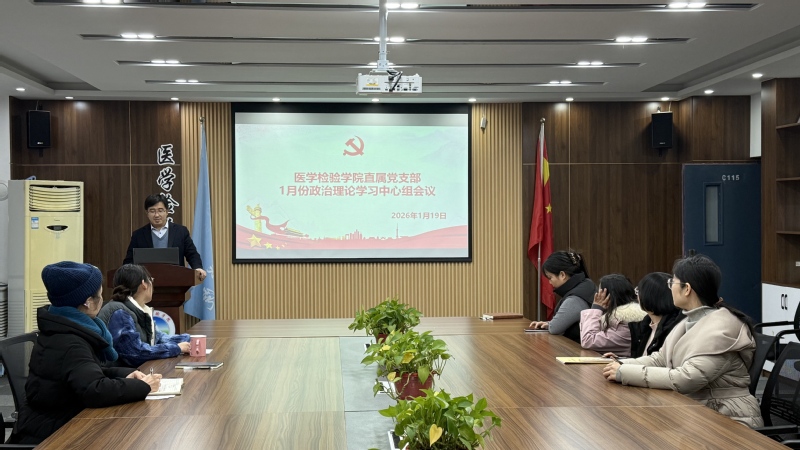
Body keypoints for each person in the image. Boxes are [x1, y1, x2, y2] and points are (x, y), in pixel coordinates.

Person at [602, 254, 763, 428]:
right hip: (700, 412)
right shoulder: (689, 321)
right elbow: (660, 359)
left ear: (687, 289)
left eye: (672, 283)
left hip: (730, 420)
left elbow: (686, 378)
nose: (670, 288)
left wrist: (625, 372)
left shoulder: (721, 329)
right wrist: (620, 364)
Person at [13, 261, 162, 445]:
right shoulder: (70, 342)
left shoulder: (61, 327)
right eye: (100, 295)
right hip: (55, 435)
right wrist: (143, 386)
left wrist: (127, 375)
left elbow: (86, 371)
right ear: (88, 303)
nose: (102, 299)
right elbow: (94, 389)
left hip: (59, 422)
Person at [98, 264, 191, 367]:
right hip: (119, 375)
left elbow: (158, 338)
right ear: (144, 284)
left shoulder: (138, 309)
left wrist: (190, 340)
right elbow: (135, 353)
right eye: (151, 280)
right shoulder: (120, 313)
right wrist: (176, 348)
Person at [123, 193, 207, 281]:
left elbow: (192, 254)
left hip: (176, 282)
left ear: (167, 211)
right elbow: (129, 261)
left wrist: (198, 268)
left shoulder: (181, 232)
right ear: (147, 213)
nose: (156, 215)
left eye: (160, 210)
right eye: (152, 211)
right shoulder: (138, 235)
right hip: (147, 284)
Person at [527, 250, 595, 343]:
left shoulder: (575, 299)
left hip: (579, 349)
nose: (549, 282)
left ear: (562, 275)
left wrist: (551, 325)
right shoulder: (586, 285)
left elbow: (555, 328)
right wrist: (548, 324)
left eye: (550, 277)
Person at [579, 274, 647, 356]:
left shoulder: (626, 324)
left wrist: (596, 308)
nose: (597, 296)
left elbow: (588, 340)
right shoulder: (616, 319)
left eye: (600, 293)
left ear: (609, 297)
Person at [628, 272, 685, 357]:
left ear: (649, 297)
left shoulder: (673, 328)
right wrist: (621, 360)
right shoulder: (644, 326)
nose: (637, 296)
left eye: (638, 291)